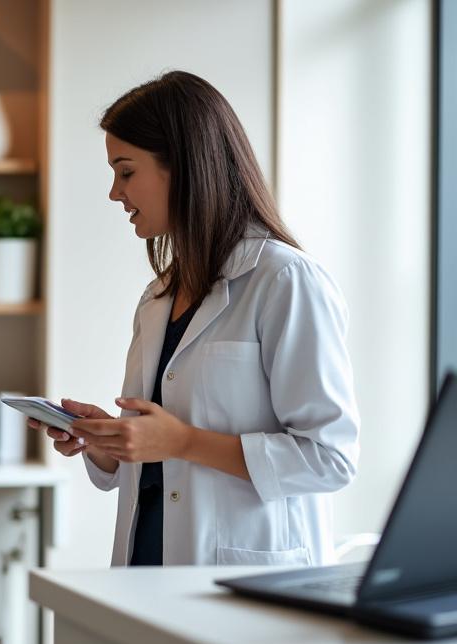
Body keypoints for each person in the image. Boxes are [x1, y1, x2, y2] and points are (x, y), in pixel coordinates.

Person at [31, 71, 359, 567]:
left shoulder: (285, 281)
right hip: (146, 568)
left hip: (247, 582)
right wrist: (107, 443)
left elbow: (330, 458)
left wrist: (183, 441)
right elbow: (158, 466)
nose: (114, 193)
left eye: (125, 171)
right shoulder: (158, 297)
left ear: (182, 168)